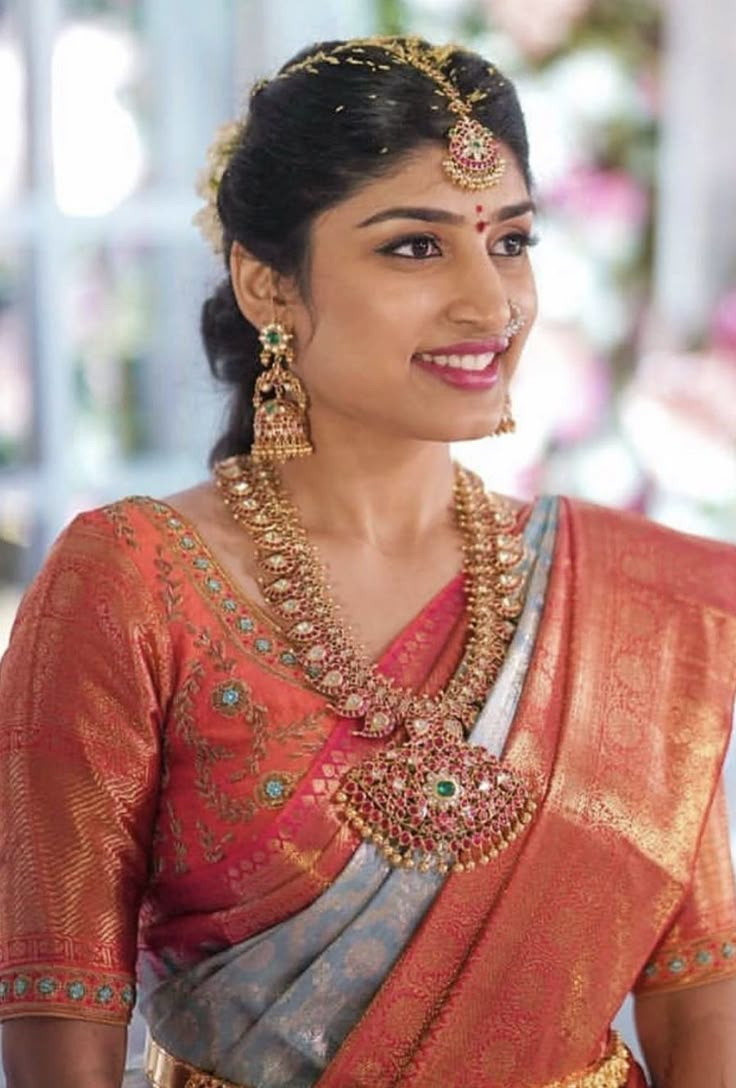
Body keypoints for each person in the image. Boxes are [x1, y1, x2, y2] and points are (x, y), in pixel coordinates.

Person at [1, 34, 735, 1088]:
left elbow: (704, 999)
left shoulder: (618, 599)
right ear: (268, 284)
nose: (492, 304)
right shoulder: (131, 580)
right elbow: (56, 1016)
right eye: (413, 247)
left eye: (512, 241)